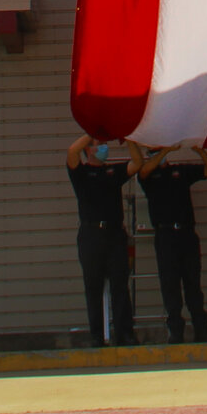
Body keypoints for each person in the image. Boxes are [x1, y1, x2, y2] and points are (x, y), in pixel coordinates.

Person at [65, 134, 140, 346]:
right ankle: (97, 336)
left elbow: (137, 163)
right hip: (91, 235)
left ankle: (124, 333)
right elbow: (71, 151)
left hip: (115, 234)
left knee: (120, 284)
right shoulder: (81, 172)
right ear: (88, 150)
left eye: (105, 144)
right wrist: (92, 133)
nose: (104, 147)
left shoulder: (112, 172)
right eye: (100, 145)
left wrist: (129, 138)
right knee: (93, 286)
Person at [139, 142, 207, 342]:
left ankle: (201, 329)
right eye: (154, 153)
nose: (159, 156)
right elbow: (145, 171)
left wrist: (200, 150)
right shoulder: (149, 177)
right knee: (170, 284)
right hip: (165, 236)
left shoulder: (180, 171)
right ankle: (175, 331)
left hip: (186, 233)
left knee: (193, 282)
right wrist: (164, 150)